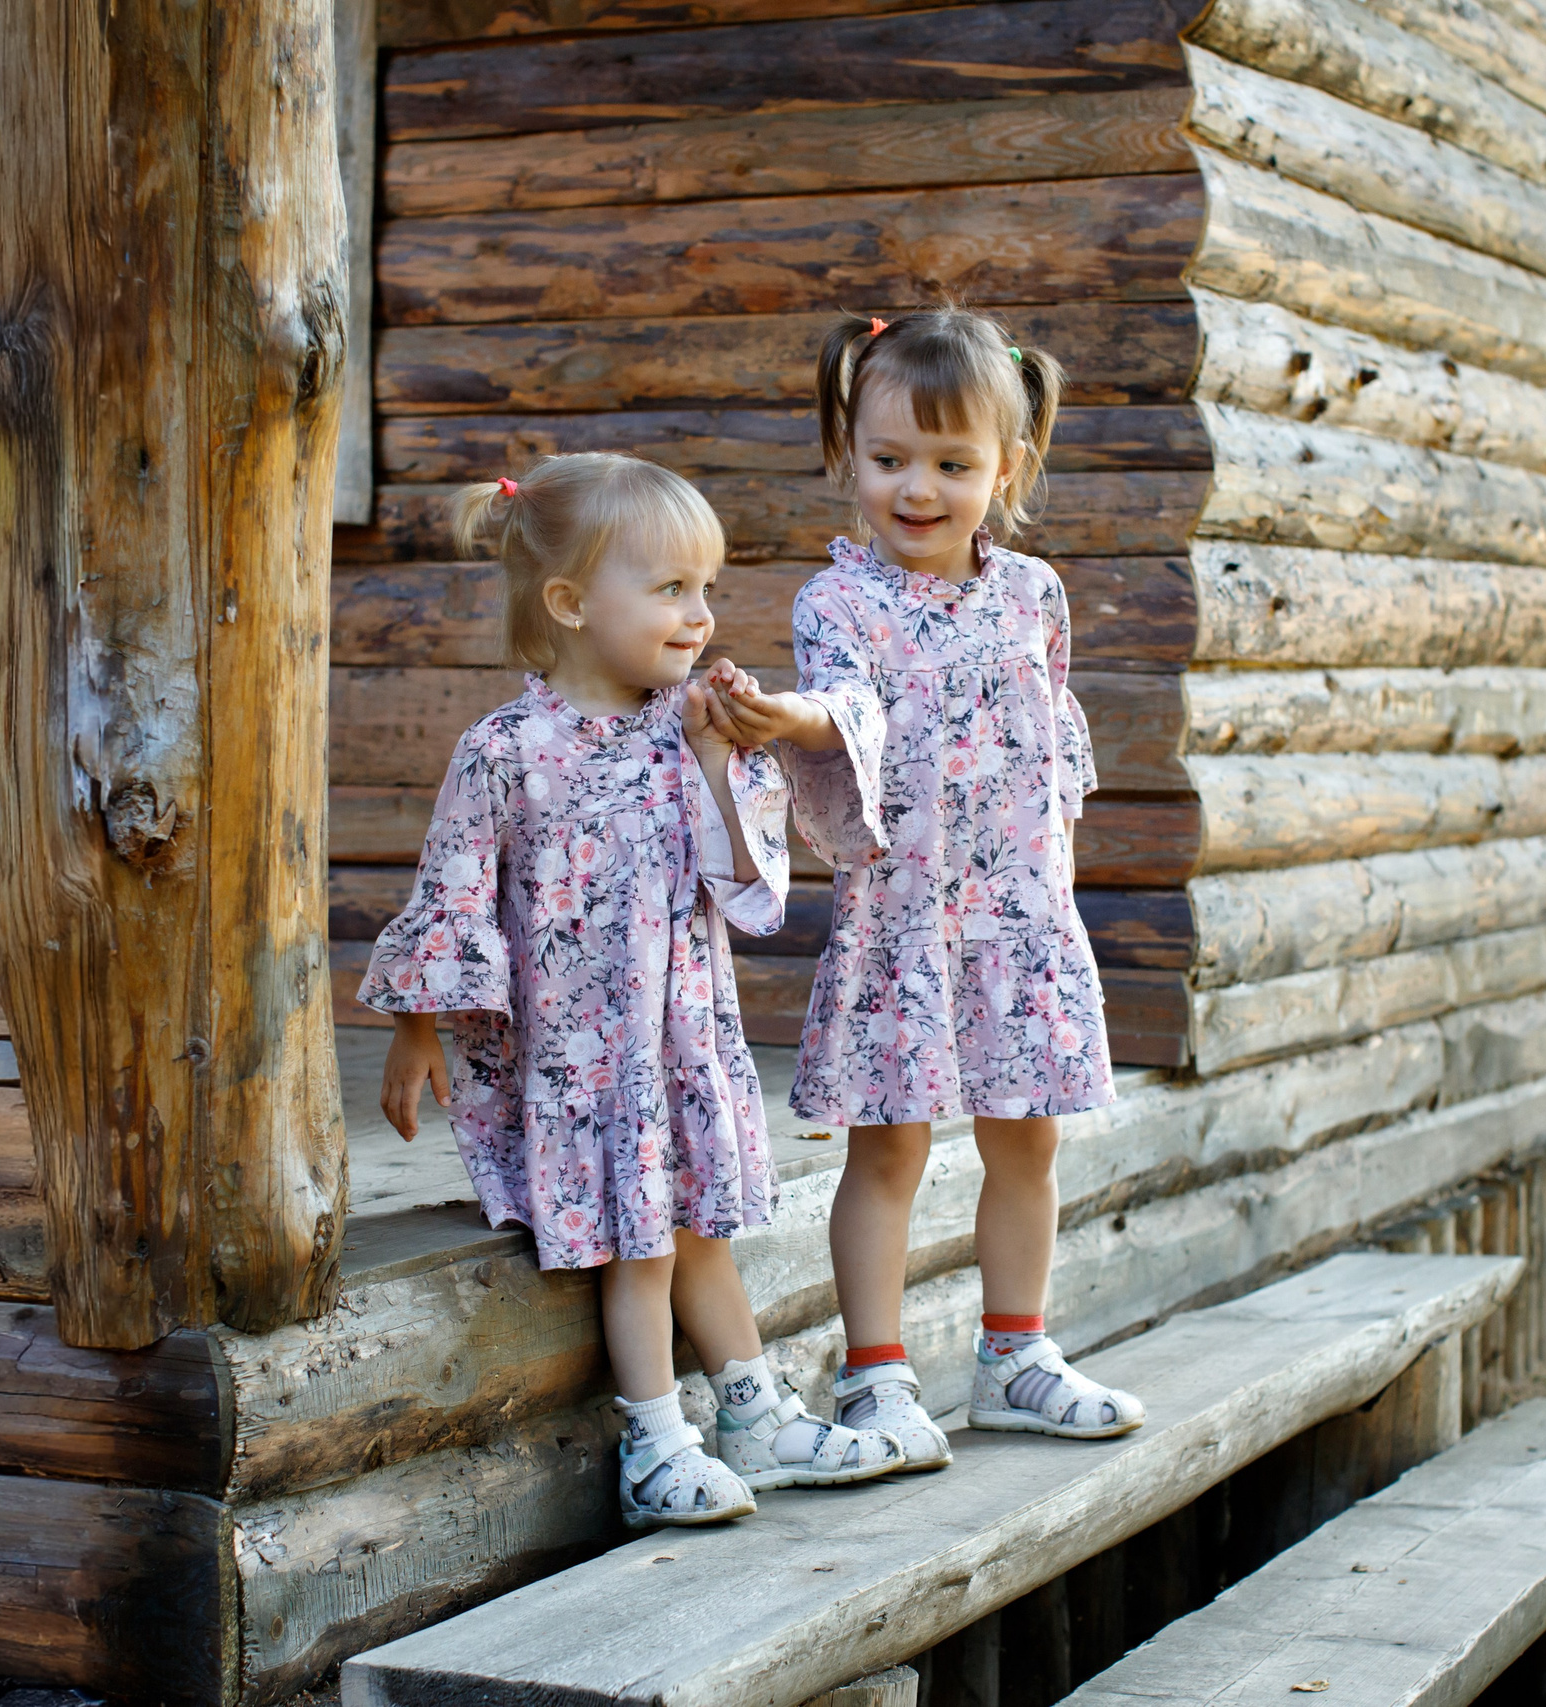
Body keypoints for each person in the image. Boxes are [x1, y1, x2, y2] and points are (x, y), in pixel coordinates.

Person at [364, 452, 902, 1530]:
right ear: (568, 603)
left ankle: (755, 1414)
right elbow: (454, 893)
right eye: (669, 590)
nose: (700, 616)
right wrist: (418, 1029)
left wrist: (717, 754)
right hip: (584, 1060)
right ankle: (657, 1444)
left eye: (706, 588)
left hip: (682, 1043)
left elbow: (746, 880)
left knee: (700, 1227)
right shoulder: (506, 752)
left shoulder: (684, 731)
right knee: (643, 1243)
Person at [705, 309, 1145, 1471]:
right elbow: (847, 713)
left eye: (952, 465)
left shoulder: (1034, 595)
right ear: (847, 453)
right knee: (890, 1151)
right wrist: (788, 719)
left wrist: (1045, 879)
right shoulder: (836, 604)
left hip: (1015, 913)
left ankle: (1014, 1357)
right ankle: (876, 1378)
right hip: (905, 922)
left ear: (1008, 469)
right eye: (889, 458)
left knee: (1026, 1140)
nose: (917, 488)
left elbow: (1054, 740)